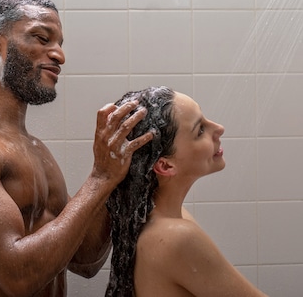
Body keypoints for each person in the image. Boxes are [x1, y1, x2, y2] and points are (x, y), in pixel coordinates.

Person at [0, 0, 153, 297]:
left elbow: (85, 259)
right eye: (41, 38)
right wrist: (100, 177)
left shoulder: (35, 149)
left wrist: (121, 172)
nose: (59, 55)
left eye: (60, 44)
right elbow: (20, 277)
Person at [106, 86, 268, 297]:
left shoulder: (147, 222)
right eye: (200, 130)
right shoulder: (176, 237)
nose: (219, 128)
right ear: (165, 166)